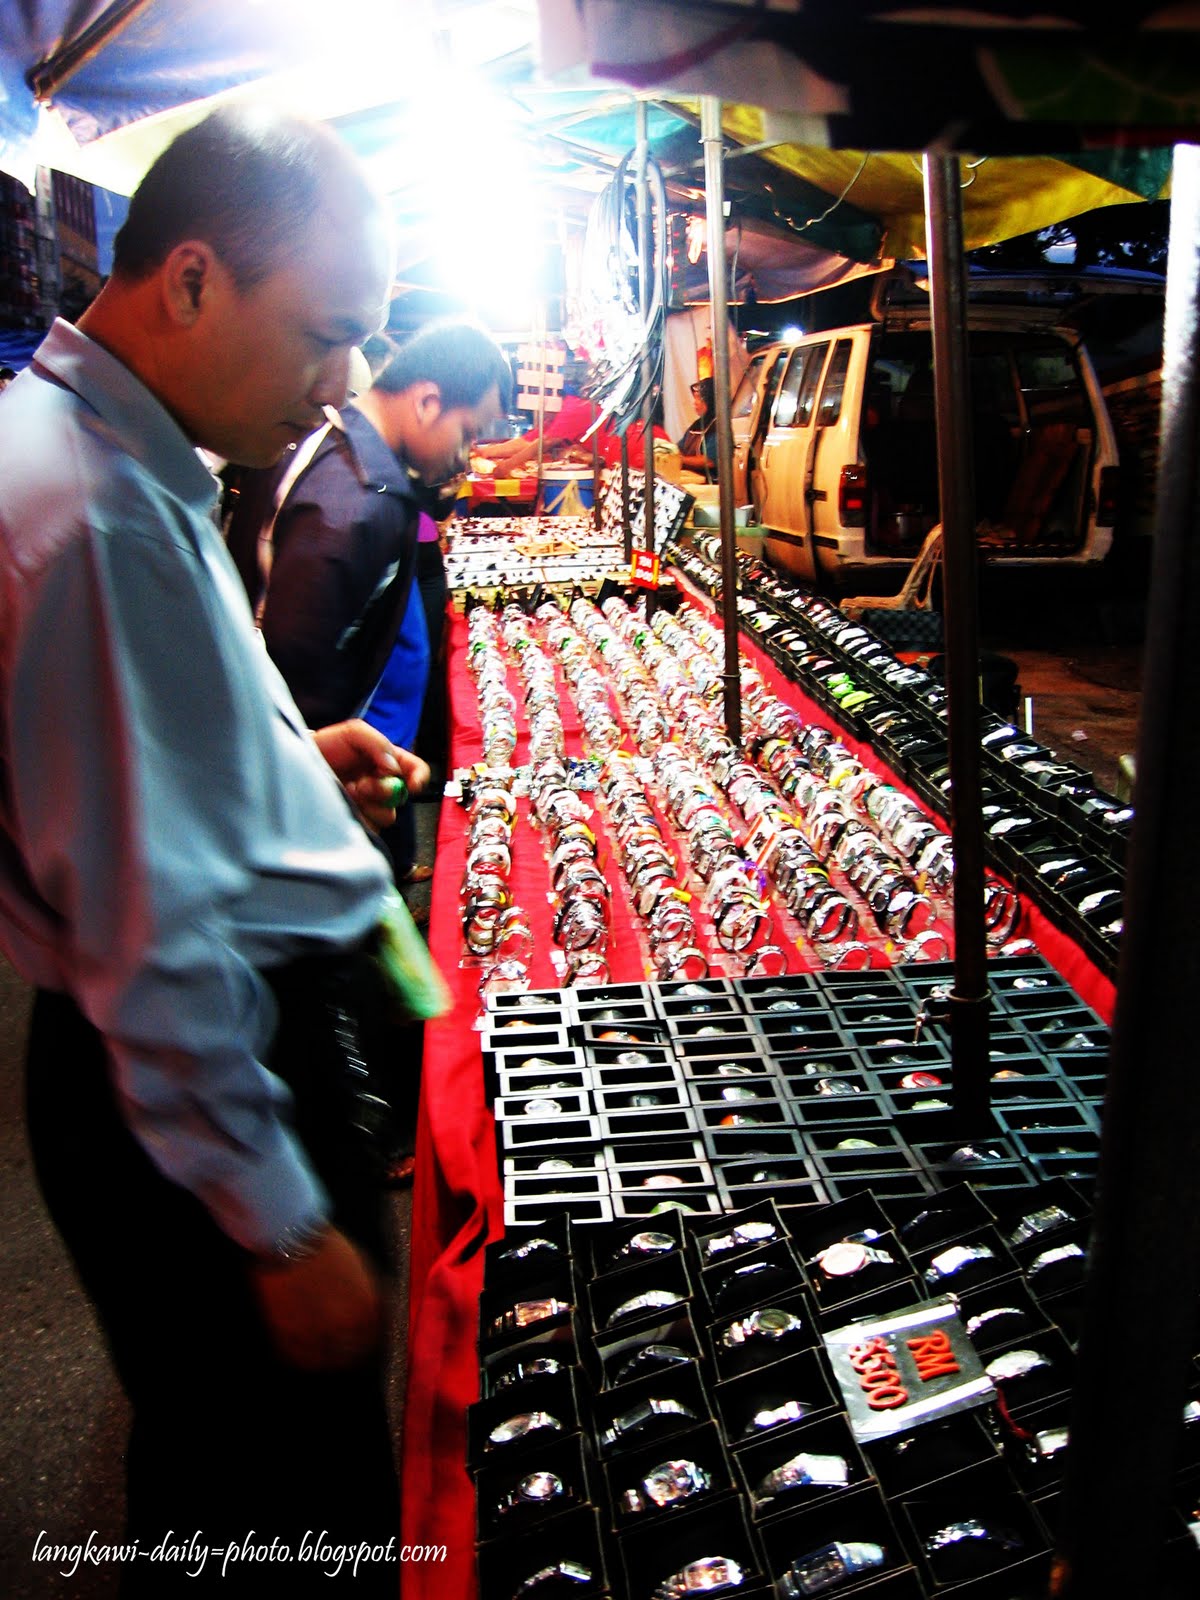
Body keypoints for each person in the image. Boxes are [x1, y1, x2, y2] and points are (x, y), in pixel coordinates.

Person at [0, 106, 423, 1594]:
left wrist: (278, 764)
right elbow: (145, 931)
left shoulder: (106, 448)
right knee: (277, 1518)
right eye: (326, 332)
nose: (341, 384)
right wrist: (279, 1219)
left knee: (228, 1482)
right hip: (189, 1087)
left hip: (166, 1072)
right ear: (190, 280)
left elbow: (116, 784)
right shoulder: (96, 514)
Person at [251, 318, 510, 732]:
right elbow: (297, 678)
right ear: (427, 402)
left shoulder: (336, 437)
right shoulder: (362, 502)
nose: (465, 455)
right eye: (467, 432)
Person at [678, 375, 718, 478]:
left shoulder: (718, 427)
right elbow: (679, 448)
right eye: (694, 398)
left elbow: (709, 461)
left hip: (711, 486)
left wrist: (681, 460)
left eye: (699, 399)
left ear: (710, 400)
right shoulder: (695, 426)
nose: (695, 403)